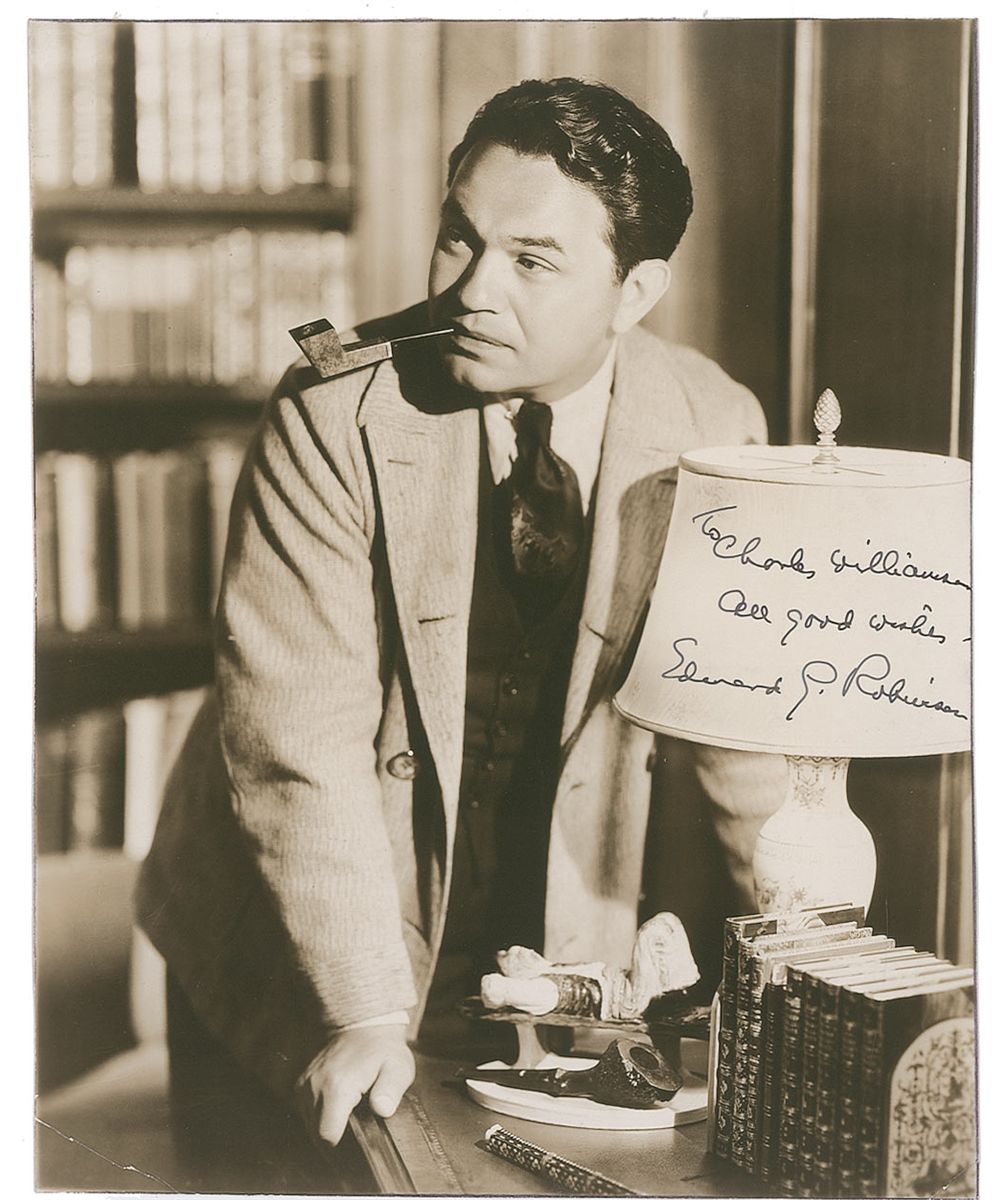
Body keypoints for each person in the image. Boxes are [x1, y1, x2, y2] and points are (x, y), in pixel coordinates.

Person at [136, 76, 785, 1182]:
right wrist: (362, 1009)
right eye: (459, 239)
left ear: (635, 291)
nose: (473, 291)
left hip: (530, 954)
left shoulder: (713, 425)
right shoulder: (330, 411)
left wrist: (812, 954)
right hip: (292, 949)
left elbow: (747, 739)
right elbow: (298, 743)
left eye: (533, 261)